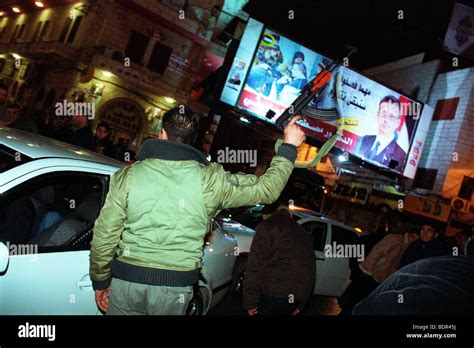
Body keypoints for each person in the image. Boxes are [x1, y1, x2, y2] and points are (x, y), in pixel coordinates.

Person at [89, 107, 305, 315]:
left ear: (162, 132)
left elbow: (105, 233)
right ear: (193, 139)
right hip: (174, 290)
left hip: (126, 283)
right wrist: (289, 146)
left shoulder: (128, 176)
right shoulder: (210, 180)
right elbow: (267, 190)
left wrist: (100, 281)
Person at [243, 200, 316, 315]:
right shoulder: (303, 233)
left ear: (267, 215)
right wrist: (301, 303)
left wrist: (250, 302)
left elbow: (254, 266)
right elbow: (311, 270)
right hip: (294, 297)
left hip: (271, 293)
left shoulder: (267, 226)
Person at [353, 255, 474, 315]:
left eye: (429, 231)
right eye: (423, 230)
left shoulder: (440, 256)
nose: (424, 233)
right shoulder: (448, 262)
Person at [338, 228, 420, 315]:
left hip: (380, 280)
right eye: (413, 236)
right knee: (353, 303)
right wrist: (368, 271)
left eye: (416, 239)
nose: (413, 240)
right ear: (410, 234)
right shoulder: (395, 239)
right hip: (370, 276)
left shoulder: (408, 247)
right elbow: (376, 252)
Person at [355, 96, 407, 171]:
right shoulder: (362, 139)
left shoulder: (400, 155)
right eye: (384, 113)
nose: (386, 119)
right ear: (378, 115)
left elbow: (391, 176)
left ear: (398, 123)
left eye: (392, 116)